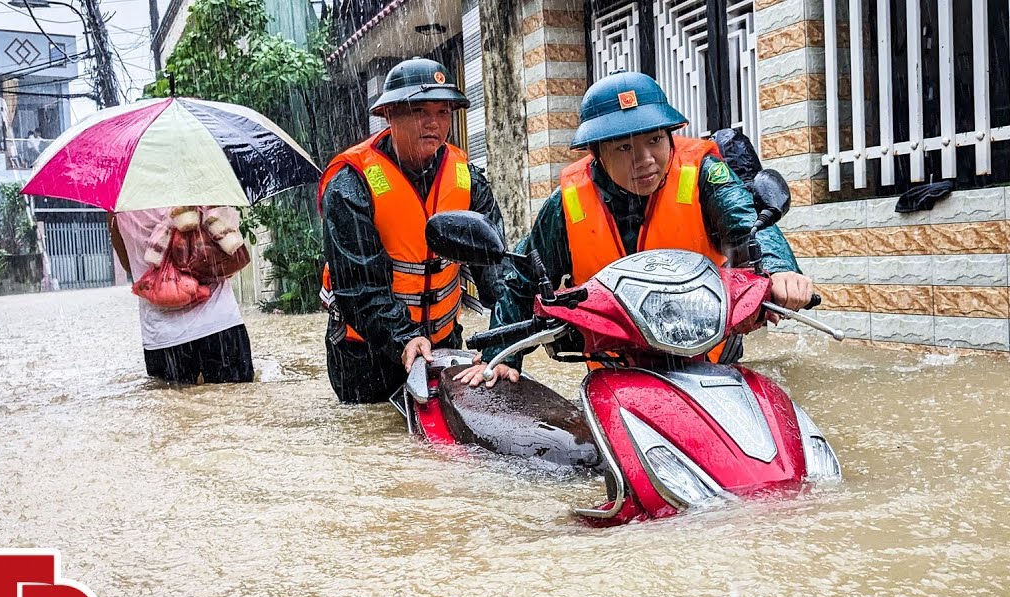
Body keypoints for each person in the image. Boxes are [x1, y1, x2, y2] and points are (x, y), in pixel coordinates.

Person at [456, 71, 815, 387]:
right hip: (614, 366)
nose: (644, 159)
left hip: (708, 353)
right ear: (597, 152)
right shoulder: (567, 204)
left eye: (655, 140)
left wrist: (780, 269)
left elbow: (747, 222)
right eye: (625, 146)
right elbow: (524, 278)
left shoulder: (704, 173)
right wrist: (500, 356)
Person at [319, 57, 505, 404]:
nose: (433, 123)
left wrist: (504, 342)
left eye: (443, 111)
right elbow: (358, 286)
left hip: (443, 344)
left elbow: (496, 270)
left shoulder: (468, 181)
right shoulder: (350, 186)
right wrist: (403, 337)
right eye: (419, 110)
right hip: (366, 358)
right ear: (389, 114)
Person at [107, 207, 254, 385]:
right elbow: (227, 246)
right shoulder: (192, 186)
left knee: (176, 408)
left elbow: (128, 266)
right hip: (219, 324)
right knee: (236, 404)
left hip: (164, 336)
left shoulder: (119, 206)